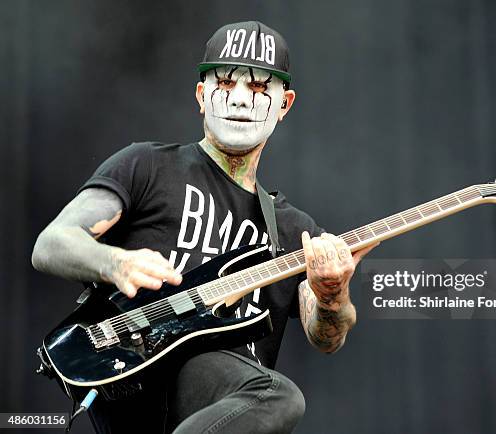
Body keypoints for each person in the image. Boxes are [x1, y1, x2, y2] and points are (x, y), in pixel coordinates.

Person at [32, 21, 376, 434]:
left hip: (227, 409)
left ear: (284, 105)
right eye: (226, 82)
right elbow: (51, 243)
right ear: (201, 95)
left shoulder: (294, 231)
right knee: (277, 395)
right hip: (135, 368)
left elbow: (326, 337)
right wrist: (113, 262)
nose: (240, 100)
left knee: (270, 398)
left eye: (260, 89)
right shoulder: (147, 166)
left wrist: (333, 295)